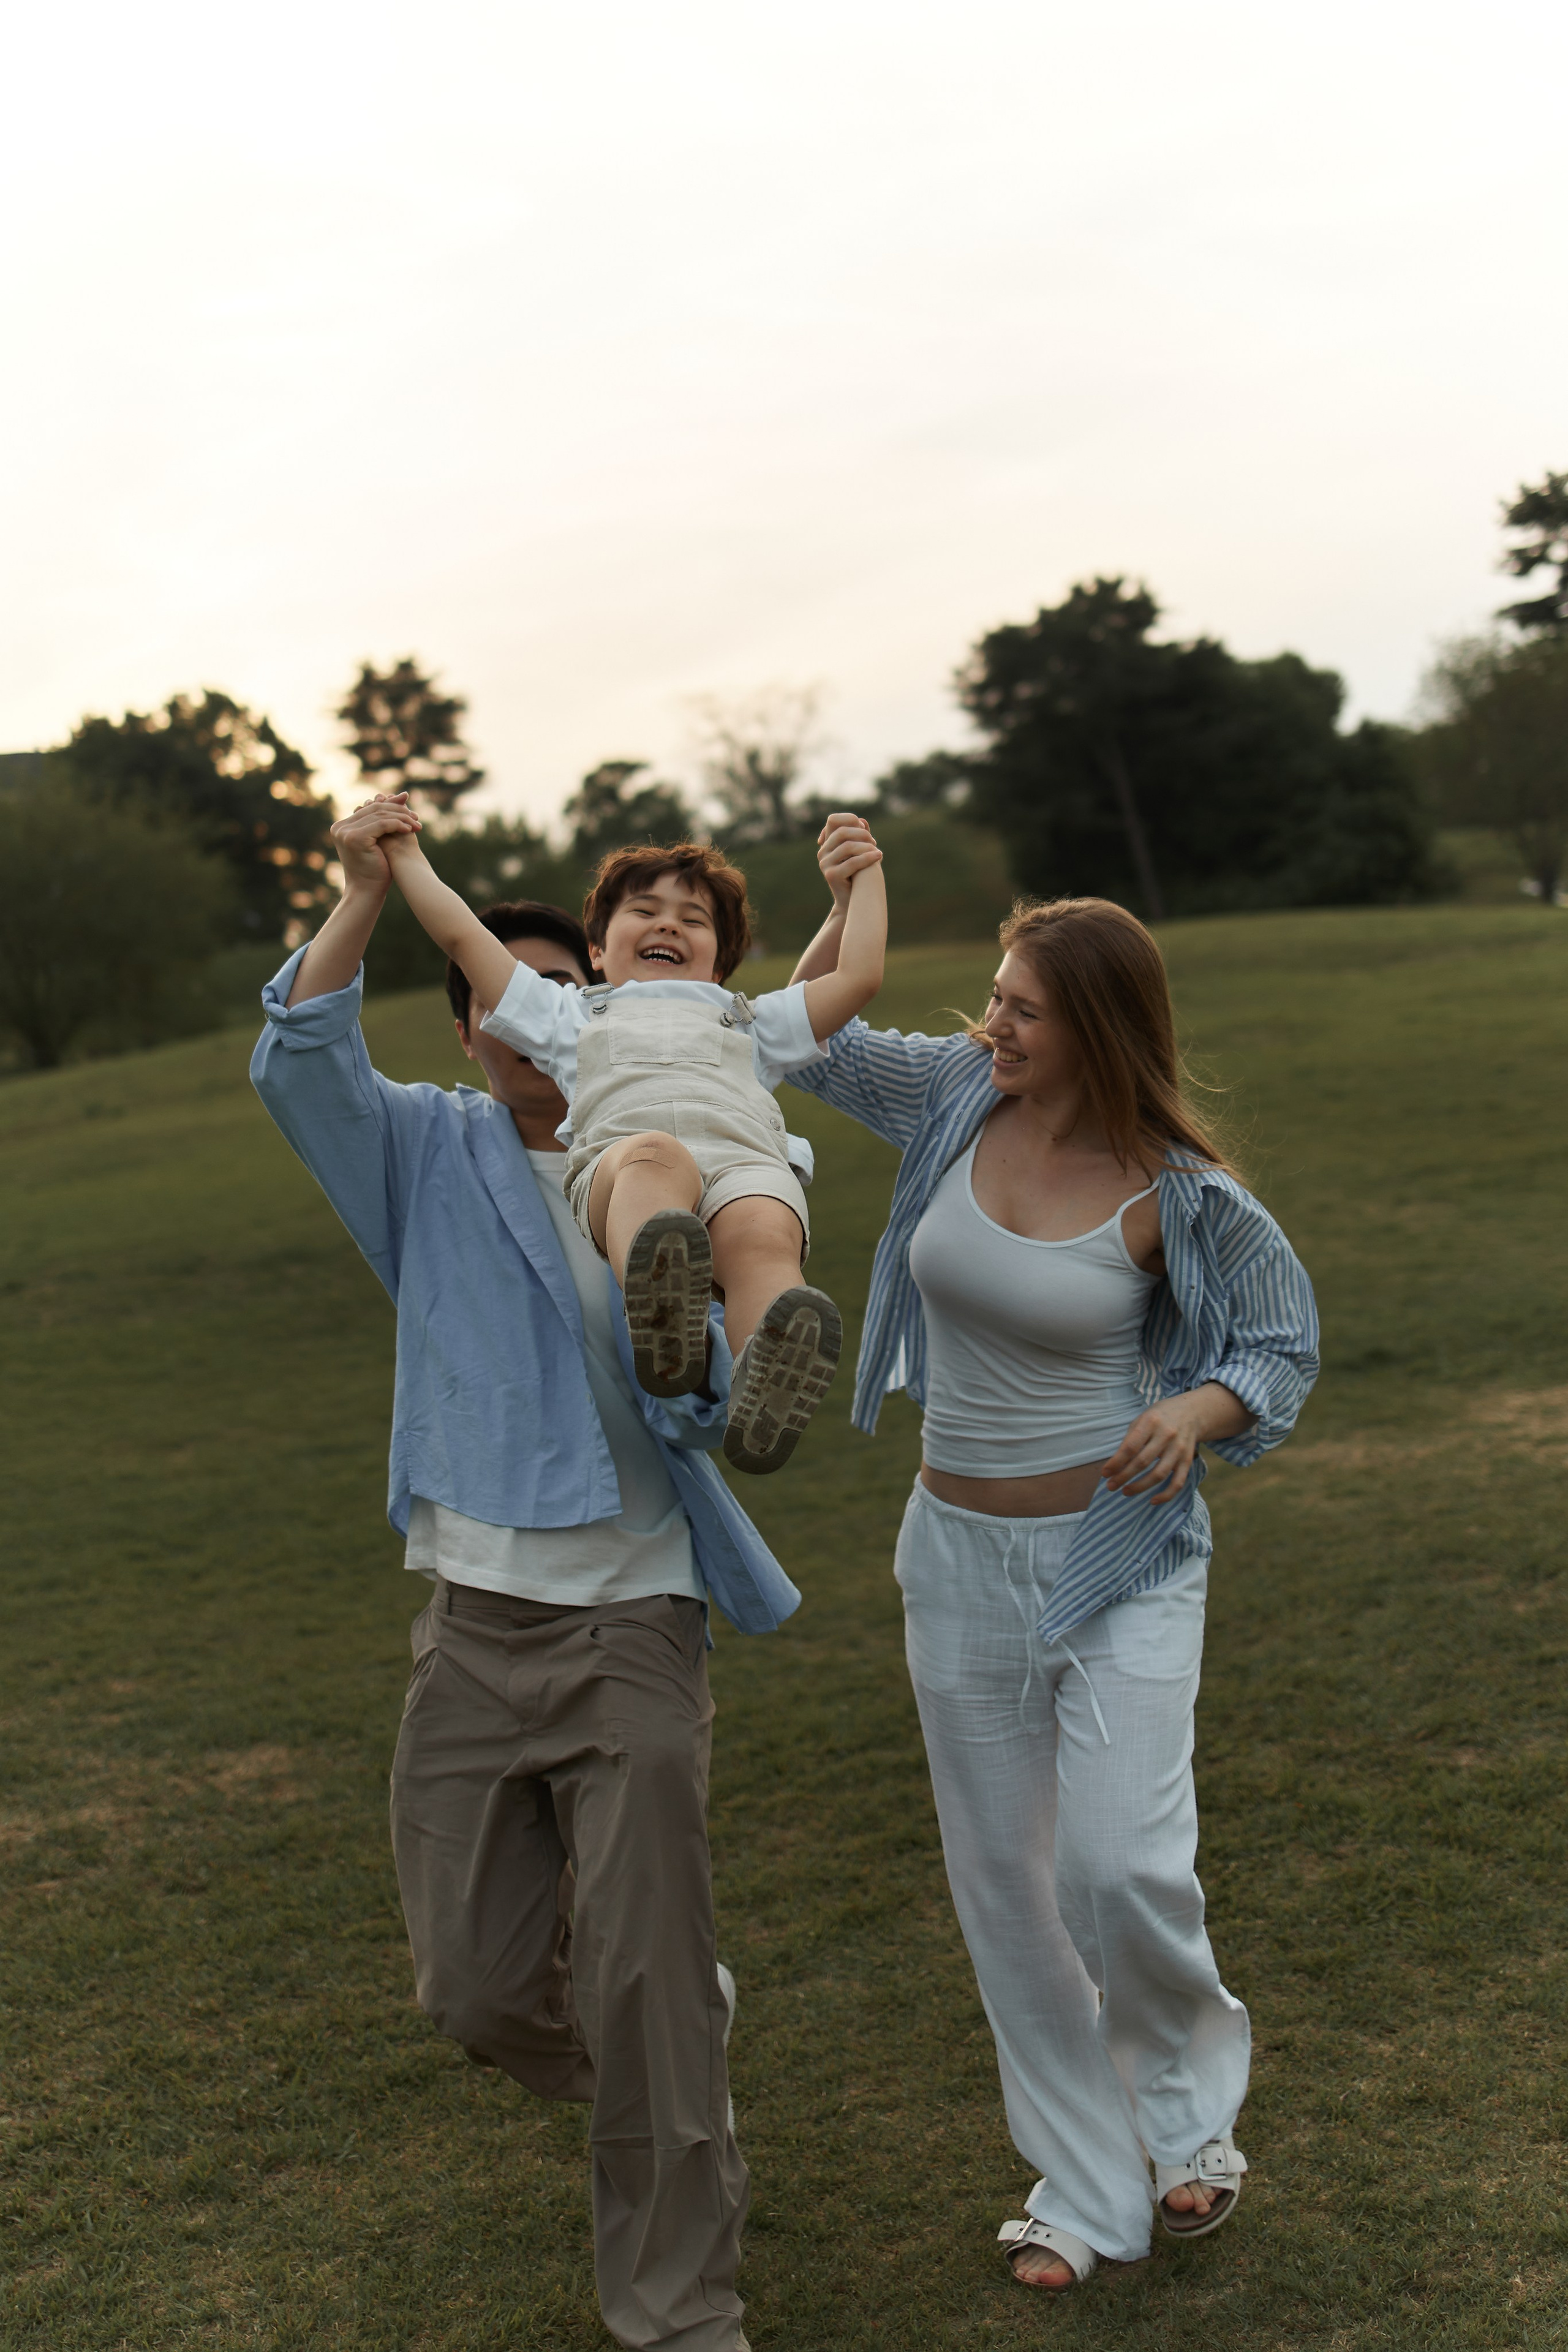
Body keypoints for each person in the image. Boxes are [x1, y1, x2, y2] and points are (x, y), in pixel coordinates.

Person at [251, 793, 798, 2352]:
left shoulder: (662, 1169)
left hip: (634, 1624)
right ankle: (671, 2053)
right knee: (474, 1990)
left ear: (597, 1022)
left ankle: (678, 2302)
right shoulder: (421, 1154)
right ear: (476, 1022)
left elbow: (711, 1403)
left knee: (642, 1989)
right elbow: (296, 1051)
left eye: (552, 1005)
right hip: (471, 1629)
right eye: (495, 1004)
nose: (521, 1029)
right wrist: (365, 885)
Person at [786, 815, 1319, 2294]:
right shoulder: (955, 1095)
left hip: (1119, 1558)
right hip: (952, 1554)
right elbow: (811, 1037)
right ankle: (1086, 2188)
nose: (986, 1023)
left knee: (1118, 1860)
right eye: (991, 999)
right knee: (1007, 1886)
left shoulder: (1175, 1191)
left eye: (1018, 1004)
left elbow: (1277, 1340)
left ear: (1090, 1025)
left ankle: (1187, 2126)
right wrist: (851, 897)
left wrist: (1196, 1410)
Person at [362, 794, 887, 1472]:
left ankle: (764, 1381)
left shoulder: (752, 1020)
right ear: (597, 948)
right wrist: (406, 857)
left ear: (720, 959)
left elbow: (859, 975)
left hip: (742, 1169)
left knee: (762, 1230)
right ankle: (661, 1296)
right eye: (644, 911)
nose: (668, 924)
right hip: (627, 1170)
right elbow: (467, 941)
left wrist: (863, 878)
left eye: (692, 919)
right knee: (654, 1157)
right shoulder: (567, 1014)